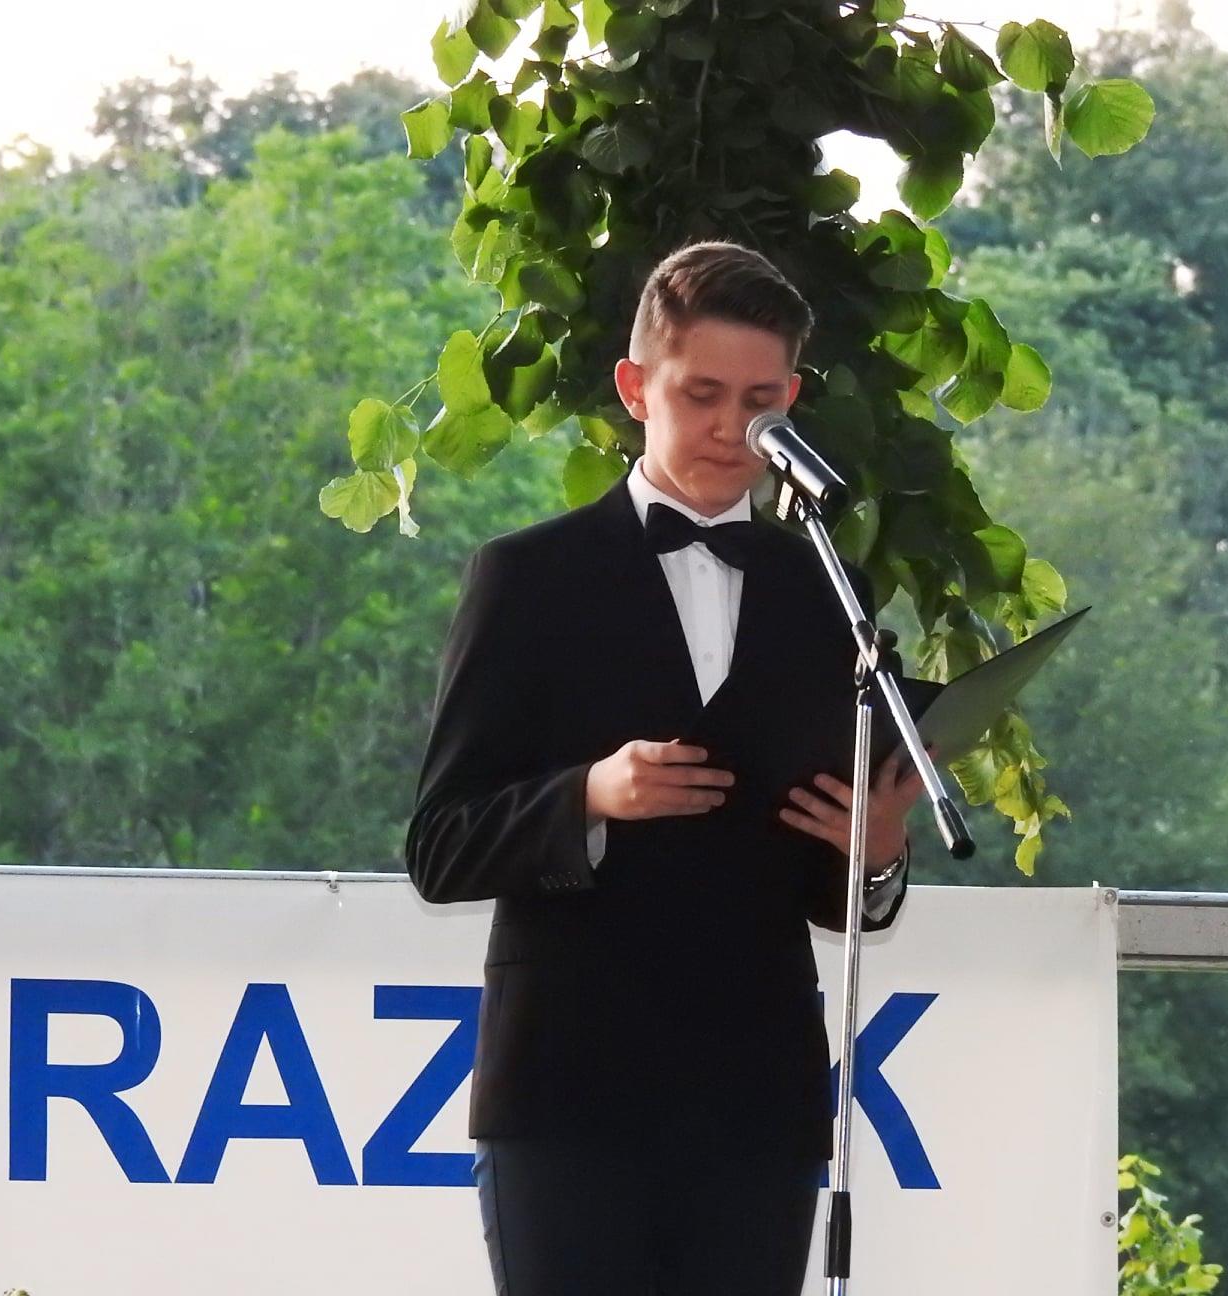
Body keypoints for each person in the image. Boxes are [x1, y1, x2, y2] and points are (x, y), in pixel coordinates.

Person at [405, 241, 930, 1296]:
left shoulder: (827, 594)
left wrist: (874, 856)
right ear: (635, 387)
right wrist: (591, 795)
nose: (734, 427)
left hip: (756, 1101)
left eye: (762, 402)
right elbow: (440, 845)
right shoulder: (527, 578)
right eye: (702, 395)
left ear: (792, 399)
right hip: (567, 1095)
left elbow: (828, 886)